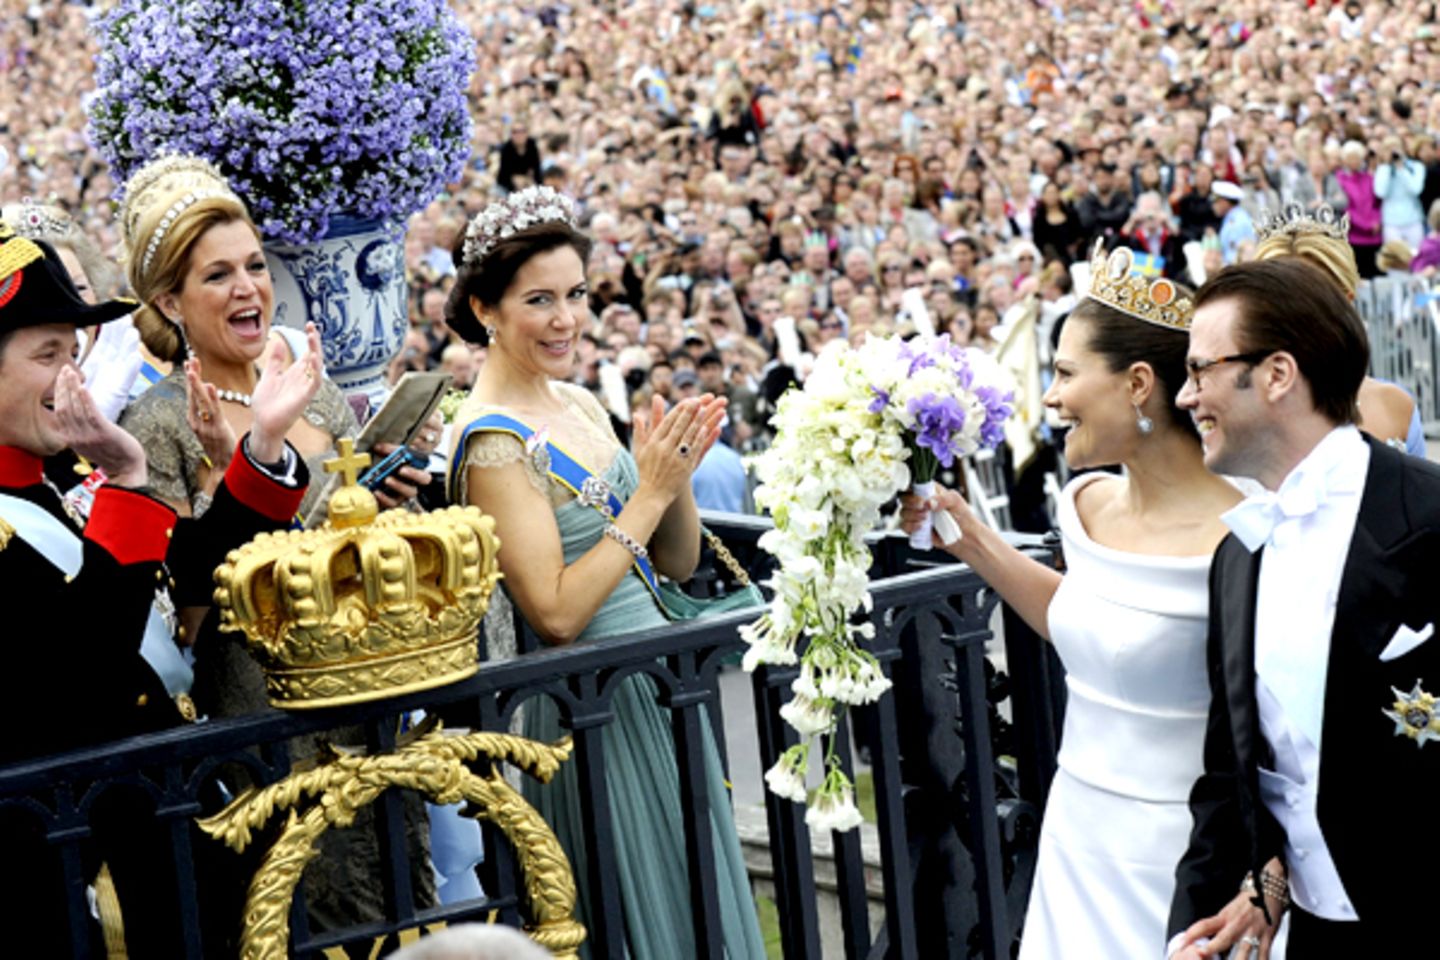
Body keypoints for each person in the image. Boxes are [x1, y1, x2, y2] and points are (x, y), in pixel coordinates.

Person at [444, 186, 765, 959]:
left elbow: (675, 562)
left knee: (703, 909)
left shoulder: (582, 402)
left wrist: (674, 475)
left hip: (660, 691)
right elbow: (554, 613)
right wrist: (647, 493)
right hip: (593, 712)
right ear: (485, 308)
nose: (566, 319)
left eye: (577, 295)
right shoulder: (489, 442)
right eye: (540, 300)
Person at [900, 242, 1243, 958]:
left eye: (1062, 373)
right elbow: (1079, 621)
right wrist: (968, 535)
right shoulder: (1084, 504)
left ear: (1139, 383)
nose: (1049, 398)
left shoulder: (1245, 535)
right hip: (1076, 836)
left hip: (1186, 859)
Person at [0, 224, 317, 955]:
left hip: (171, 824)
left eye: (74, 355)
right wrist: (131, 483)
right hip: (89, 867)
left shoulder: (60, 482)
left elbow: (174, 579)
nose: (71, 378)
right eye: (47, 355)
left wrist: (262, 446)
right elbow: (87, 666)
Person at [1168, 257, 1440, 957]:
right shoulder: (1238, 556)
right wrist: (1193, 931)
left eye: (1200, 371)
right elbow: (1233, 774)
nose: (1183, 397)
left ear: (1278, 374)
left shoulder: (1430, 517)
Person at [1252, 204, 1423, 455]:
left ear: (1346, 301)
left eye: (1312, 297)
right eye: (1276, 298)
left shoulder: (1395, 405)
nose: (1293, 314)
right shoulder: (1236, 407)